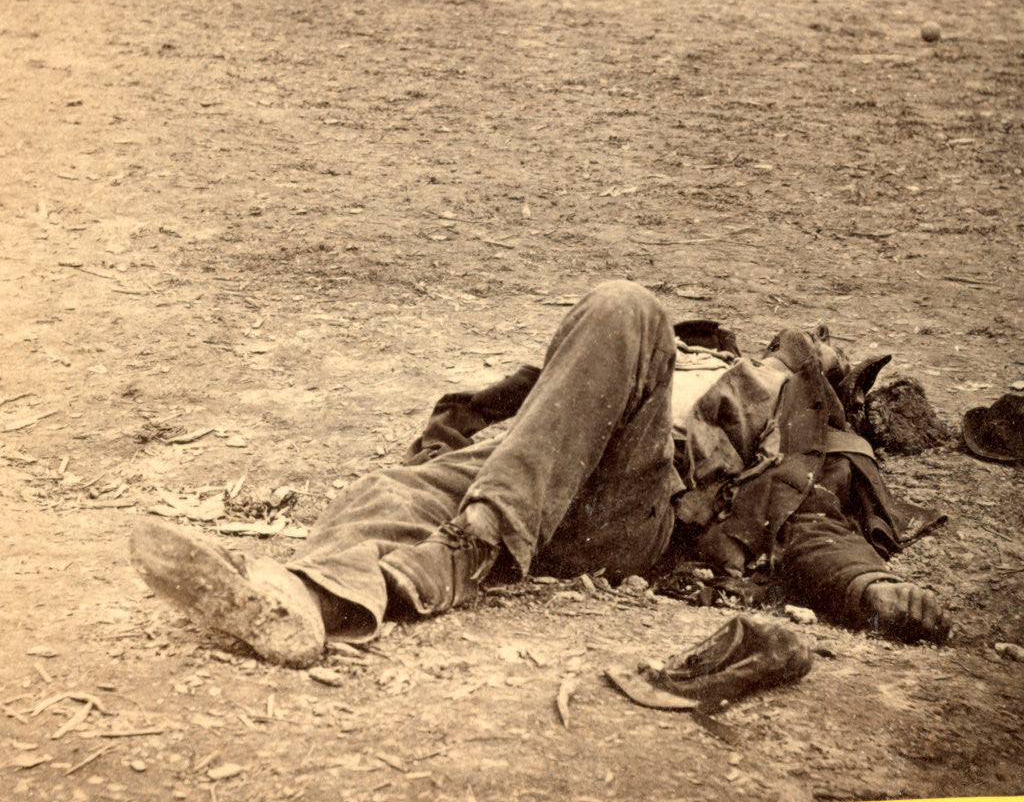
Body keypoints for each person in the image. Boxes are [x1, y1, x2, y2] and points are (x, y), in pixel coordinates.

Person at [131, 281, 951, 668]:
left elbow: (813, 532)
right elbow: (547, 398)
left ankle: (469, 544)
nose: (810, 343)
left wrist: (872, 590)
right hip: (532, 471)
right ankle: (307, 601)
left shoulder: (813, 435)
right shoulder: (714, 358)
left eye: (828, 352)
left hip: (635, 511)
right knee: (393, 490)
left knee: (627, 306)